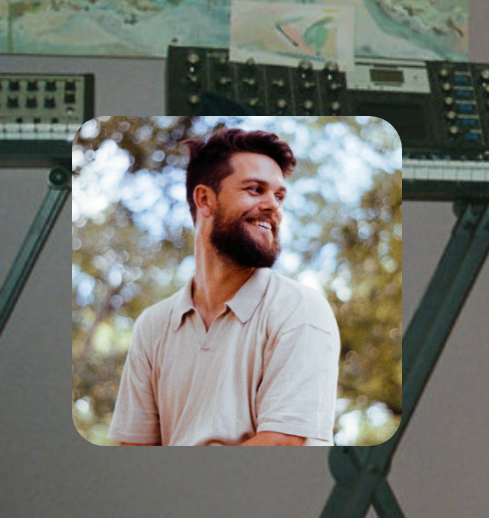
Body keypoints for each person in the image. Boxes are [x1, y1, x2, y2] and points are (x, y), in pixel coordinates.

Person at [109, 126, 340, 446]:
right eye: (255, 189)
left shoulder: (299, 308)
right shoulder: (153, 326)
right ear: (205, 199)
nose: (273, 206)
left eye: (279, 196)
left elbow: (283, 445)